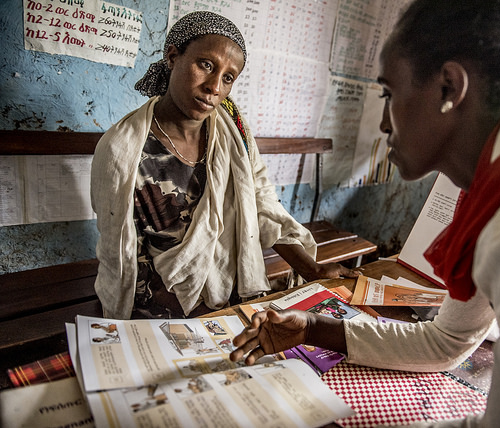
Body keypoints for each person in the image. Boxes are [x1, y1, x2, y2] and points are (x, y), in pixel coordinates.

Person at [231, 1, 500, 427]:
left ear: (448, 87)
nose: (385, 125)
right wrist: (315, 328)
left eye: (389, 94)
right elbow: (447, 341)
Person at [91, 11, 358, 320]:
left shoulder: (230, 123)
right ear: (173, 56)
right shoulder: (123, 151)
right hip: (164, 302)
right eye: (206, 65)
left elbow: (260, 199)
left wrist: (312, 268)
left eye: (228, 77)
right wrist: (214, 319)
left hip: (230, 287)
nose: (214, 87)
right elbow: (128, 262)